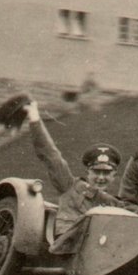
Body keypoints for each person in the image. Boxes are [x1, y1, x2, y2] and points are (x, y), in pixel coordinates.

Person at [15, 96, 126, 246]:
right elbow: (51, 155)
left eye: (106, 173)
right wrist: (34, 117)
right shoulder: (70, 186)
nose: (100, 177)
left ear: (114, 176)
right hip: (68, 248)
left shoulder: (117, 205)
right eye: (96, 172)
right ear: (88, 172)